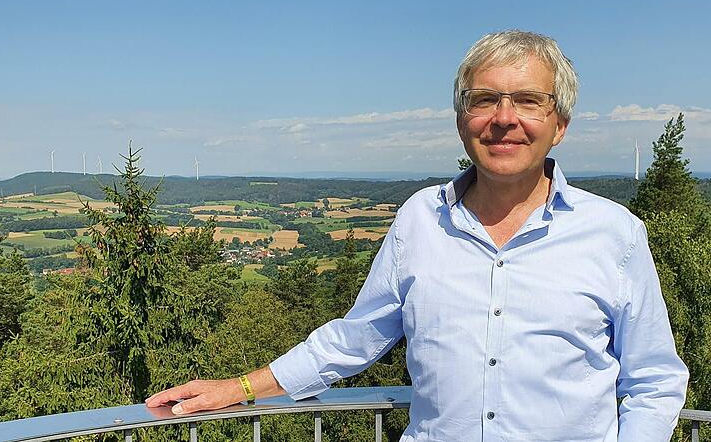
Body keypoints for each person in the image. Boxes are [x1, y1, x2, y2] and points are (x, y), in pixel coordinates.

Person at [146, 30, 689, 441]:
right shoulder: (419, 219)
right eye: (484, 100)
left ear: (560, 124)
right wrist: (240, 389)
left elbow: (654, 381)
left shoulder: (614, 233)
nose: (504, 118)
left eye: (528, 100)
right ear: (461, 119)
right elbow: (354, 339)